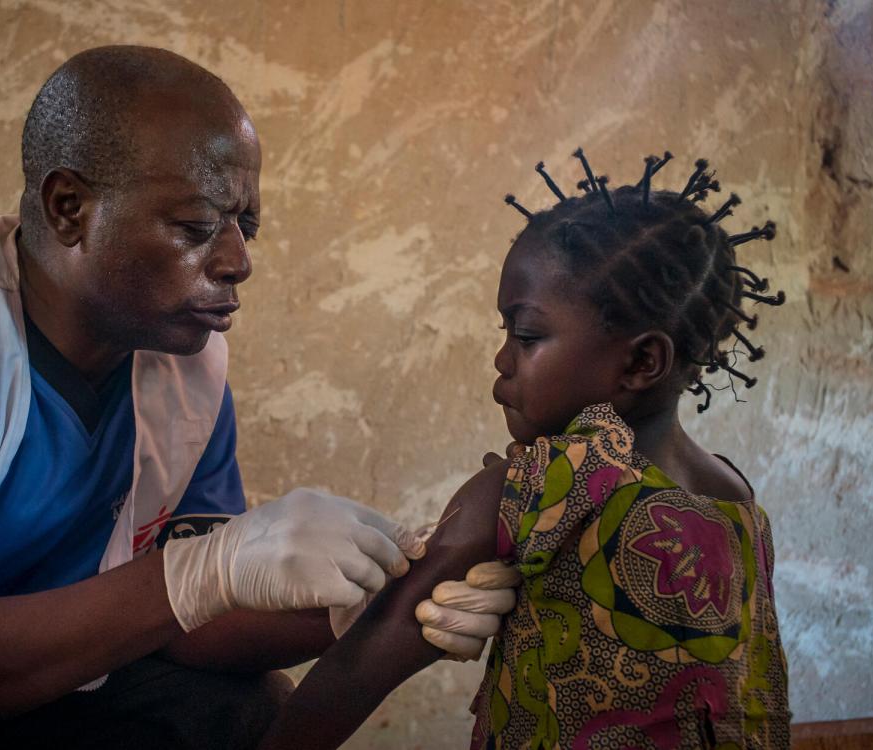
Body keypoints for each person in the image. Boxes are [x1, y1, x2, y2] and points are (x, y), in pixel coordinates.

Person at [0, 47, 514, 748]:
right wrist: (204, 571)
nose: (237, 261)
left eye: (245, 226)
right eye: (197, 226)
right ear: (69, 209)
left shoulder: (181, 364)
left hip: (5, 676)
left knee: (239, 707)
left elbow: (179, 621)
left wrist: (373, 602)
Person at [259, 150, 792, 749]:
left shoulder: (545, 485)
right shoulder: (737, 497)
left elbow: (357, 672)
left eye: (528, 334)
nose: (502, 357)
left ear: (643, 361)